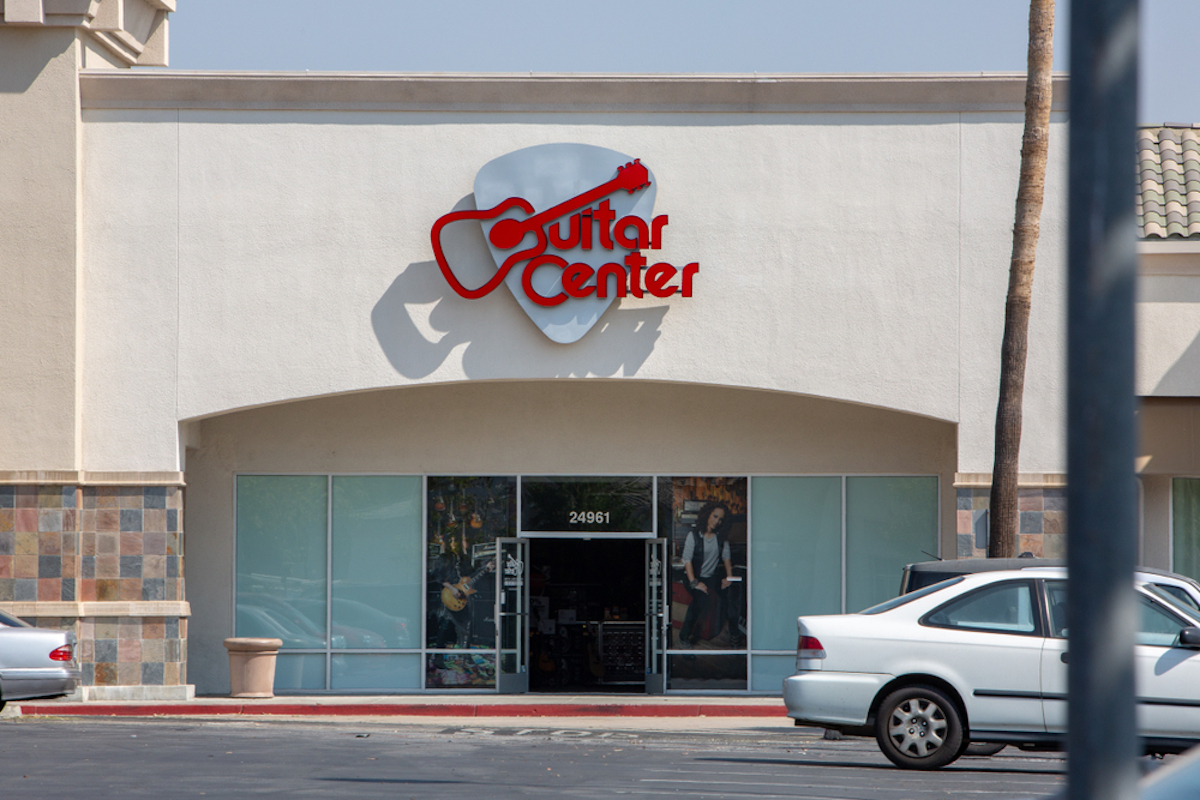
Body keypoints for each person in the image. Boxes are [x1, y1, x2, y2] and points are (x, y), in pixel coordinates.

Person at [678, 500, 741, 647]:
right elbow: (687, 560)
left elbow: (726, 558)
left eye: (720, 519)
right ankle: (683, 637)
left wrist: (729, 578)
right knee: (699, 601)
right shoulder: (693, 536)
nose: (717, 521)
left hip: (712, 577)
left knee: (731, 595)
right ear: (707, 515)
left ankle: (734, 635)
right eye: (715, 516)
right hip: (694, 577)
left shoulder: (721, 538)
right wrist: (695, 582)